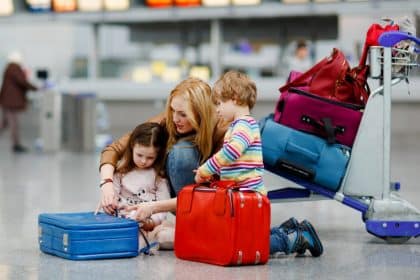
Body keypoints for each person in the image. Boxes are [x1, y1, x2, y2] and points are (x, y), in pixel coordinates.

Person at [100, 75, 323, 257]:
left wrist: (155, 207)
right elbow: (114, 149)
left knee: (232, 245)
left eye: (183, 114)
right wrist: (107, 184)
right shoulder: (169, 120)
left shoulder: (230, 129)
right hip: (218, 200)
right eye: (172, 111)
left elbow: (217, 182)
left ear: (201, 112)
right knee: (238, 239)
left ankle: (291, 237)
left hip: (224, 201)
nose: (174, 119)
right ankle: (291, 232)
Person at [194, 71, 265, 195]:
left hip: (247, 193)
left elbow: (232, 151)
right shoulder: (243, 124)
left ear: (235, 99)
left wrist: (205, 170)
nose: (217, 110)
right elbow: (234, 162)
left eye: (219, 103)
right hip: (241, 191)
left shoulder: (244, 125)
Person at [109, 122, 174, 252]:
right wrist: (113, 205)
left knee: (164, 236)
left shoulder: (158, 177)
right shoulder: (120, 171)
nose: (143, 161)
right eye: (139, 155)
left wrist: (150, 223)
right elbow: (113, 195)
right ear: (132, 146)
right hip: (122, 223)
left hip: (150, 225)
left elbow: (162, 207)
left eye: (150, 157)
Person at [0, 51, 38, 153]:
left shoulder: (9, 68)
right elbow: (22, 82)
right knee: (13, 123)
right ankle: (16, 145)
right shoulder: (14, 68)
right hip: (10, 102)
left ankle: (16, 144)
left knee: (5, 123)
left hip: (6, 101)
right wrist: (36, 88)